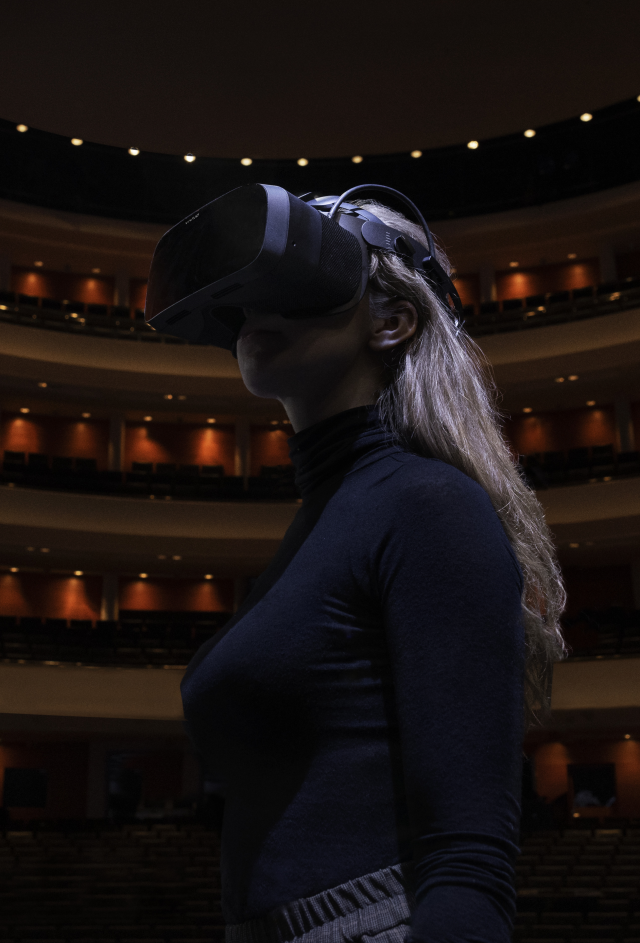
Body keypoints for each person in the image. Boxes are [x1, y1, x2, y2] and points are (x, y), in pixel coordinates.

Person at [181, 199, 566, 943]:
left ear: (392, 321)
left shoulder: (427, 505)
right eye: (251, 292)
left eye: (297, 283)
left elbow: (468, 858)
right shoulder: (326, 518)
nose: (258, 308)